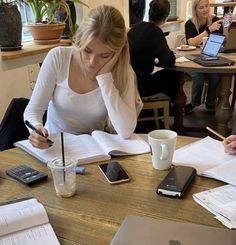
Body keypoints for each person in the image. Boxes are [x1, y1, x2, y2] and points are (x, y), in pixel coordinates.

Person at [24, 5, 143, 149]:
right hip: (54, 148)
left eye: (104, 55)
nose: (92, 62)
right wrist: (36, 130)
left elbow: (125, 131)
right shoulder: (59, 57)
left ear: (117, 53)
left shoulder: (123, 72)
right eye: (87, 50)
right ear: (80, 40)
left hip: (93, 150)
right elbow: (33, 110)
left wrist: (105, 78)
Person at [127, 0, 179, 104]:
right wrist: (156, 62)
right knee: (173, 76)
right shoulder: (156, 32)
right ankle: (167, 109)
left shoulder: (135, 28)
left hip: (128, 82)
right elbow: (169, 60)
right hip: (141, 85)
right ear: (166, 17)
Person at [184, 0, 223, 114]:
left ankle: (210, 103)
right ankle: (194, 103)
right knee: (198, 76)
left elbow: (221, 41)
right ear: (195, 10)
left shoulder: (215, 20)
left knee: (215, 76)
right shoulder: (190, 23)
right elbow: (191, 42)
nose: (205, 9)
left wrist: (226, 28)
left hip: (210, 57)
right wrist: (208, 30)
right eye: (201, 8)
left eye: (207, 6)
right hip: (192, 59)